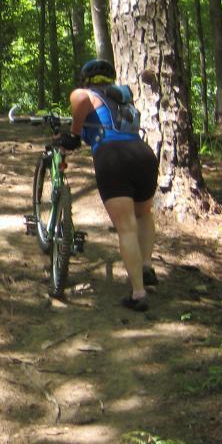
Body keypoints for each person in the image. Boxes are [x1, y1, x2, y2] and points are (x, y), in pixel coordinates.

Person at [56, 58, 160, 311]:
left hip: (113, 156)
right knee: (144, 214)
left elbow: (80, 101)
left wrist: (74, 134)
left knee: (126, 228)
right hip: (143, 154)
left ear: (86, 79)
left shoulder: (84, 93)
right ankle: (146, 266)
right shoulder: (122, 96)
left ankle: (138, 294)